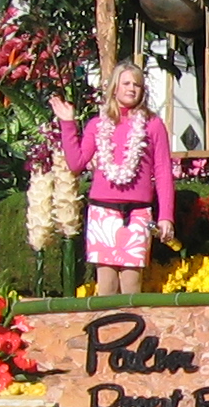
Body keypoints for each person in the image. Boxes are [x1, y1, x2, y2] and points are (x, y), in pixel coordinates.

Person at [49, 61, 174, 297]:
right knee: (106, 285)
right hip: (103, 212)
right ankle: (106, 323)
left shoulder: (153, 125)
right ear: (115, 88)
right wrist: (67, 123)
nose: (131, 88)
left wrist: (166, 215)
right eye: (126, 83)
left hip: (137, 213)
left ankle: (132, 322)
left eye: (137, 84)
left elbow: (163, 171)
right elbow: (76, 164)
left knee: (131, 283)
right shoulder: (98, 125)